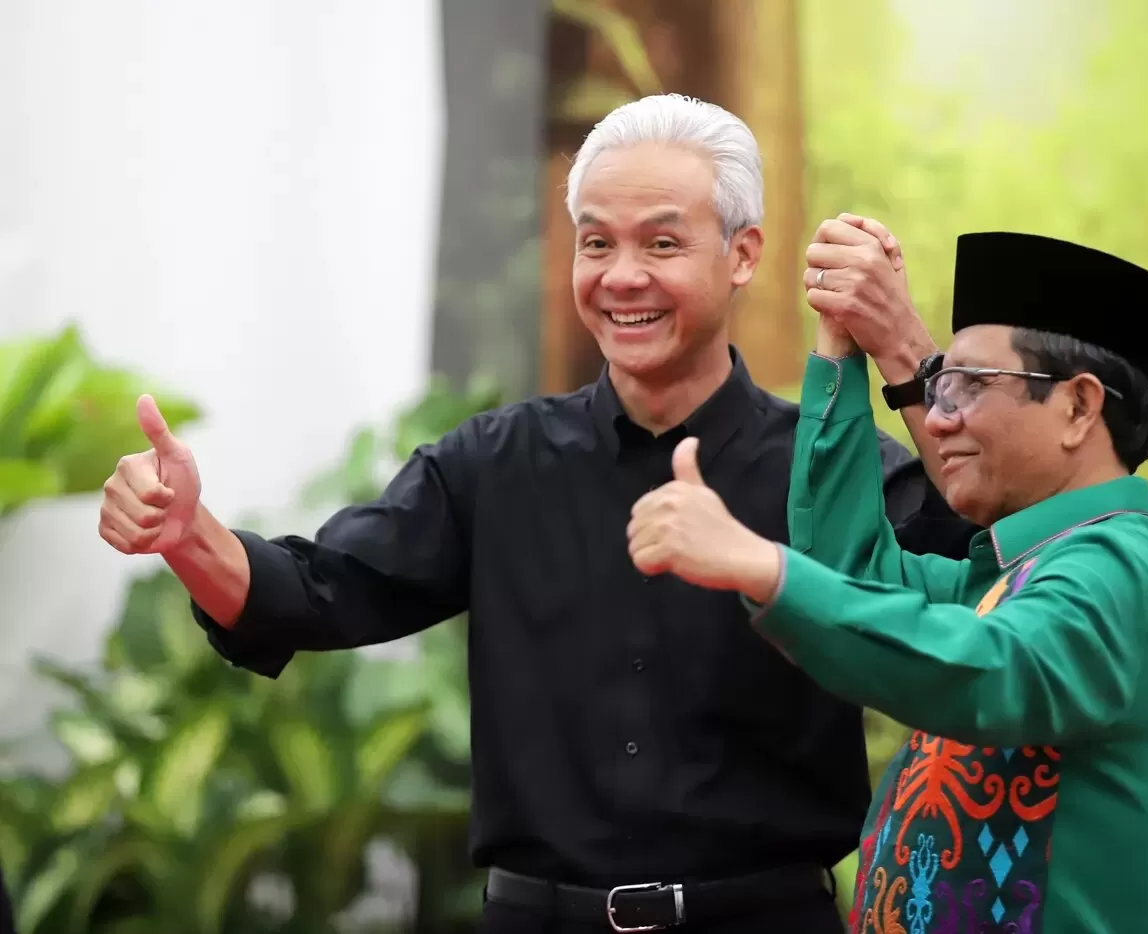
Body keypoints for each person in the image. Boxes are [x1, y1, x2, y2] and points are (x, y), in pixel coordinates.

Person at [96, 94, 977, 934]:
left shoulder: (831, 468)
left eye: (661, 242)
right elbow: (314, 593)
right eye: (596, 242)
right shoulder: (495, 462)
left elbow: (992, 570)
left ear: (741, 254)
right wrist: (188, 535)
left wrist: (905, 349)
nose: (622, 276)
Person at [625, 230, 1148, 934]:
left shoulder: (1122, 561)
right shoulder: (1004, 581)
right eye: (941, 388)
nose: (939, 419)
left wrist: (756, 563)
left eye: (969, 387)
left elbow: (993, 669)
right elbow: (845, 575)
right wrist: (839, 349)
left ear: (1078, 408)